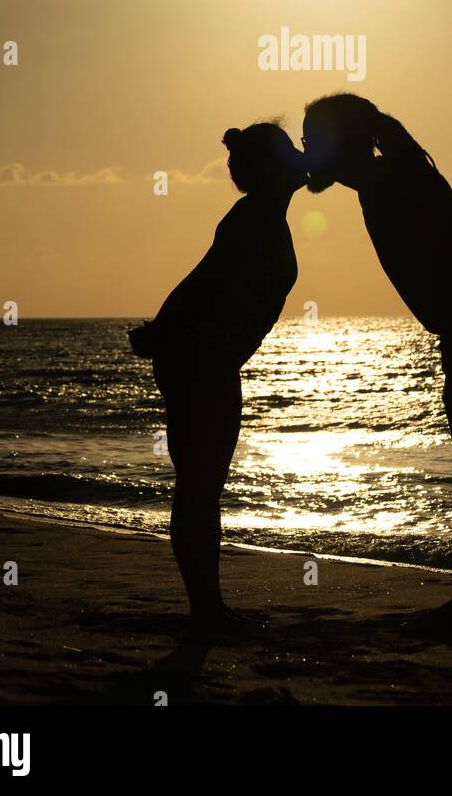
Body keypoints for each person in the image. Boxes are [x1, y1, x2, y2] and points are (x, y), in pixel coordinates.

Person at [302, 93, 452, 638]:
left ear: (341, 143)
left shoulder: (396, 183)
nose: (305, 151)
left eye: (311, 140)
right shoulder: (380, 181)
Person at [128, 121, 306, 636]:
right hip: (197, 360)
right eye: (291, 150)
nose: (301, 155)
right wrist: (162, 332)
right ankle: (206, 611)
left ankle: (208, 608)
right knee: (200, 488)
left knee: (203, 487)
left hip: (204, 359)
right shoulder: (252, 218)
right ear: (273, 168)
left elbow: (202, 280)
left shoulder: (263, 213)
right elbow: (202, 284)